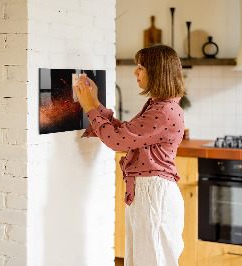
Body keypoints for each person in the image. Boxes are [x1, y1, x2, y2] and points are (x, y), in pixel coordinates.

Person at [74, 44, 186, 266]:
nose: (135, 72)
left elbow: (117, 141)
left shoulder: (163, 111)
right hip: (149, 193)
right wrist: (95, 103)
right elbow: (125, 133)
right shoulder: (159, 106)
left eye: (141, 67)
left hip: (154, 195)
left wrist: (89, 107)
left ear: (157, 72)